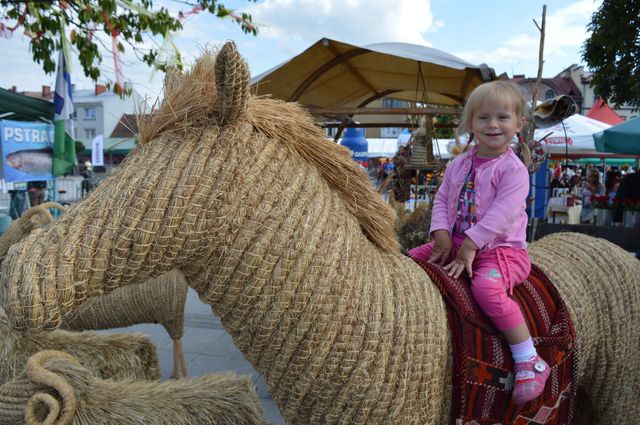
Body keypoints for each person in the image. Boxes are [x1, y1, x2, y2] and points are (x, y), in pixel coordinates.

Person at [408, 81, 549, 404]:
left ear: (519, 124)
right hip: (457, 242)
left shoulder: (514, 170)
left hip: (501, 251)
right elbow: (443, 199)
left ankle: (529, 358)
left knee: (487, 290)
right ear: (471, 124)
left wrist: (471, 244)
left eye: (503, 117)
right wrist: (439, 232)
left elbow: (503, 213)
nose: (493, 125)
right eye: (484, 118)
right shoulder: (459, 163)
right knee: (408, 263)